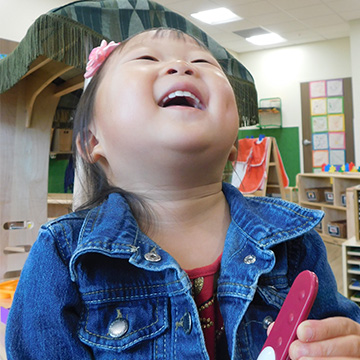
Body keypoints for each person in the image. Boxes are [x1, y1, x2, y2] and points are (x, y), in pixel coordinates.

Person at [5, 28, 360, 360]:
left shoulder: (293, 243)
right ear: (92, 142)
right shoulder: (63, 255)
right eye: (147, 59)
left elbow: (335, 335)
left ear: (234, 145)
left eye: (203, 62)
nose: (182, 66)